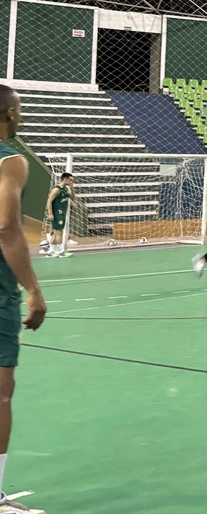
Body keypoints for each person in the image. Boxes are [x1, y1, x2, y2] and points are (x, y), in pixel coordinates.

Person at [0, 85, 48, 511]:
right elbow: (7, 228)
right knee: (0, 391)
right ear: (10, 112)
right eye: (20, 110)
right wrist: (33, 288)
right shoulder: (10, 160)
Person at [44, 172, 74, 258]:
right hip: (57, 213)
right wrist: (50, 214)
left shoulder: (65, 189)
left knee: (55, 232)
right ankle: (61, 251)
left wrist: (71, 188)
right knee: (59, 232)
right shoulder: (56, 189)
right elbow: (49, 201)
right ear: (65, 179)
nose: (72, 181)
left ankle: (51, 251)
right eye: (70, 180)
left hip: (62, 213)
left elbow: (72, 197)